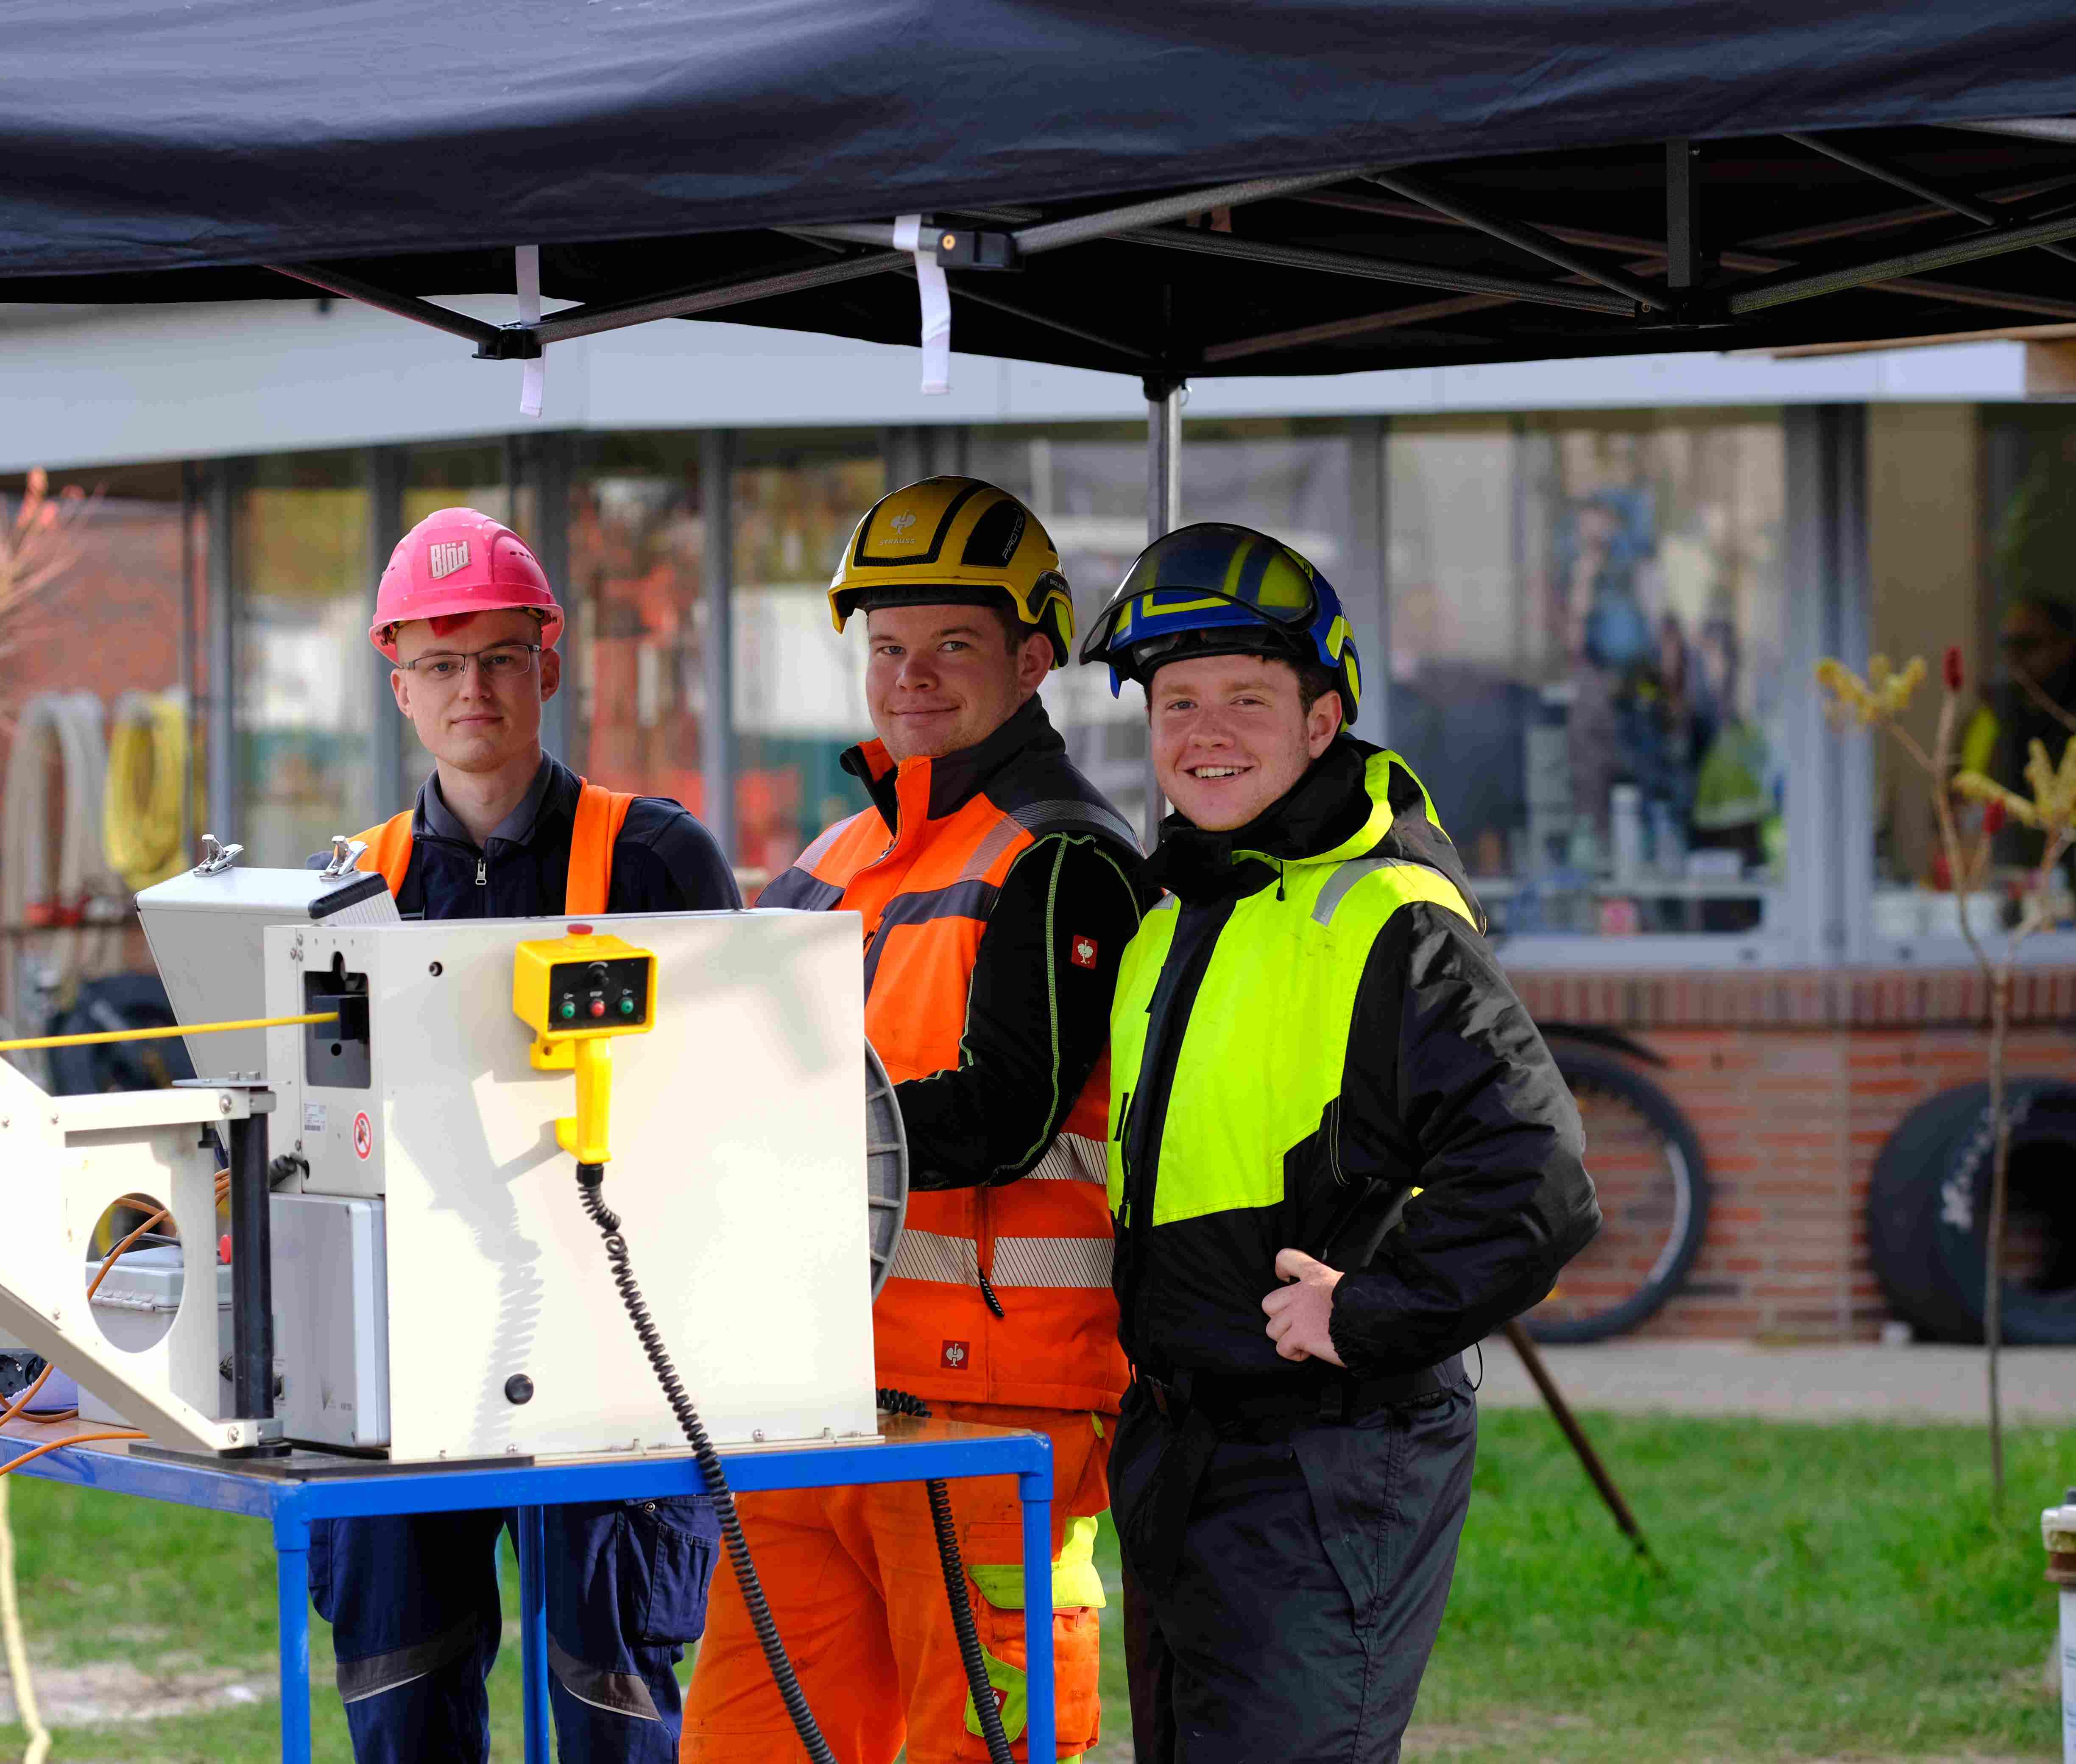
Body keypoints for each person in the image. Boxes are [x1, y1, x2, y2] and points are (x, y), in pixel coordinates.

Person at [1076, 523, 1601, 1764]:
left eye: (1246, 701)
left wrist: (1367, 1313)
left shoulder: (1386, 915)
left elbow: (1537, 1179)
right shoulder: (1180, 916)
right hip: (1183, 1450)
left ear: (1323, 722)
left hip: (1326, 1458)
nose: (1205, 732)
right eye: (1178, 702)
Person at [683, 477, 1149, 1764]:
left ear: (1034, 656)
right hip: (811, 1398)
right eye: (887, 647)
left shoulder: (1065, 855)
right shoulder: (827, 861)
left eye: (953, 644)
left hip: (990, 1414)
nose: (911, 678)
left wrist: (760, 1128)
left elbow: (1001, 1115)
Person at [322, 506, 741, 1764]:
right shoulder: (352, 885)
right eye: (442, 665)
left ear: (548, 669)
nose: (474, 689)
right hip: (413, 1359)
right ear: (400, 686)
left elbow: (733, 1114)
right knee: (404, 1698)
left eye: (500, 657)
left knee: (610, 1705)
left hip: (617, 1359)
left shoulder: (658, 861)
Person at [1963, 595, 2076, 873]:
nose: (2015, 656)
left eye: (2027, 644)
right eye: (2009, 645)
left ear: (2065, 645)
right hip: (2013, 873)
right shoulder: (1993, 712)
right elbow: (1967, 797)